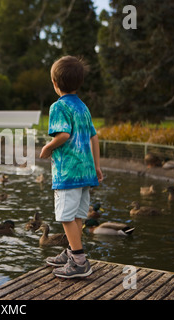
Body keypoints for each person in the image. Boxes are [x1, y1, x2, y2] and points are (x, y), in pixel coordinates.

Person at [39, 55, 103, 278]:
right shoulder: (83, 107)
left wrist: (48, 147)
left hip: (68, 173)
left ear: (56, 84)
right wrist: (96, 166)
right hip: (85, 173)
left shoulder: (58, 107)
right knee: (76, 215)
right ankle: (70, 252)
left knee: (66, 216)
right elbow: (94, 137)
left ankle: (79, 261)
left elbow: (64, 135)